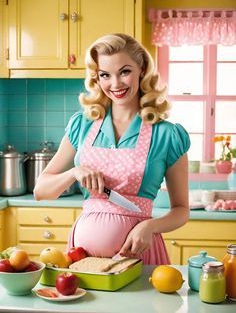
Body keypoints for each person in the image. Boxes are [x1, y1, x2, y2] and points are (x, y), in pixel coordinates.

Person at [34, 33, 190, 265]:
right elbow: (41, 191)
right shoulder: (82, 125)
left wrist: (149, 226)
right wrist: (74, 172)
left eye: (125, 72)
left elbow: (181, 210)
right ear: (97, 78)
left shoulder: (166, 135)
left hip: (139, 255)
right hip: (82, 258)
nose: (115, 84)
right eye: (105, 75)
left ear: (142, 69)